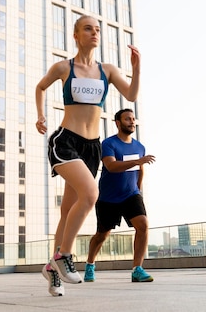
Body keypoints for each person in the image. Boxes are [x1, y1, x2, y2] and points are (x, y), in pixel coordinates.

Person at [35, 15, 141, 296]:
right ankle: (63, 256)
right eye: (87, 29)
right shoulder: (63, 67)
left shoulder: (107, 69)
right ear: (75, 35)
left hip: (92, 146)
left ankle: (51, 270)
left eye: (97, 30)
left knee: (68, 210)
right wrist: (40, 116)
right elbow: (40, 87)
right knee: (91, 195)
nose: (94, 33)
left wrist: (136, 68)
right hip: (65, 140)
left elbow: (130, 94)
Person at [83, 108, 156, 283]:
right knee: (102, 234)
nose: (132, 122)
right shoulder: (109, 144)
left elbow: (140, 170)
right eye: (127, 119)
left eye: (133, 119)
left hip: (131, 194)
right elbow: (111, 166)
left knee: (143, 225)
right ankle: (90, 264)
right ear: (118, 123)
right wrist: (137, 161)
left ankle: (137, 269)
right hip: (108, 197)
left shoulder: (139, 146)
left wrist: (138, 190)